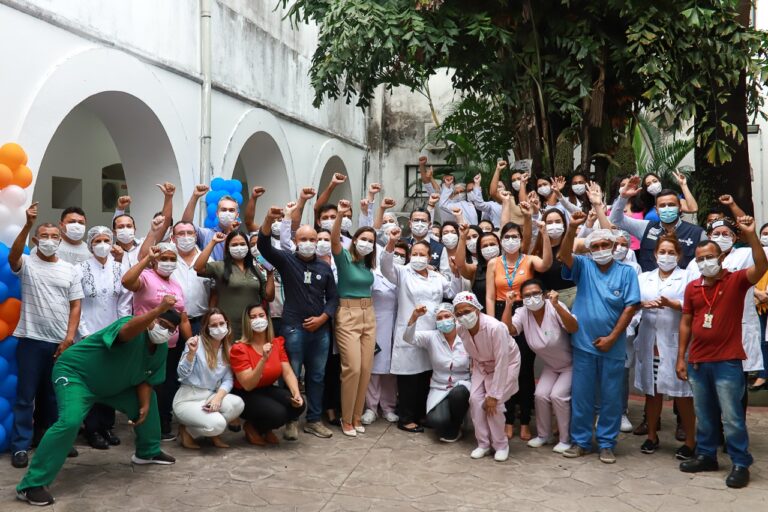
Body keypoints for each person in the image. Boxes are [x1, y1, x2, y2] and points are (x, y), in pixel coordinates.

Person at [16, 296, 181, 506]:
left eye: (169, 329)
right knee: (70, 421)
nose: (164, 330)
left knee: (148, 402)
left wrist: (145, 406)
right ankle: (31, 485)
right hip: (76, 375)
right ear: (151, 319)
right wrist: (159, 309)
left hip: (112, 386)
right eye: (161, 323)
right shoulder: (129, 325)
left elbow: (147, 377)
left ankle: (148, 452)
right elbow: (125, 333)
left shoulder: (161, 348)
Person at [676, 214, 767, 488]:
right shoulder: (693, 288)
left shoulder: (736, 281)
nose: (706, 262)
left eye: (710, 257)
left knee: (732, 416)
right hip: (699, 362)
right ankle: (706, 455)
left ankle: (741, 462)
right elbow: (686, 322)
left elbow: (761, 266)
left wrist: (751, 235)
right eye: (701, 258)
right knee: (704, 413)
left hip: (727, 361)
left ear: (722, 257)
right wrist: (682, 357)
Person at [559, 212, 640, 463]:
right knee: (582, 397)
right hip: (584, 344)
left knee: (611, 397)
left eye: (606, 245)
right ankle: (581, 441)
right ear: (589, 250)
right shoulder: (584, 266)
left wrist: (613, 337)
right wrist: (572, 228)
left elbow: (631, 307)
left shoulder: (626, 273)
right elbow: (563, 256)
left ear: (615, 247)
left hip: (612, 347)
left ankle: (606, 443)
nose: (601, 249)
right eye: (595, 246)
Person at [9, 203, 84, 469]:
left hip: (59, 343)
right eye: (45, 236)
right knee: (25, 396)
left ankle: (51, 441)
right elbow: (13, 257)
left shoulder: (70, 270)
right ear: (36, 240)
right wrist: (28, 223)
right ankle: (20, 446)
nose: (50, 241)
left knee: (54, 397)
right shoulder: (28, 263)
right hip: (30, 340)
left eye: (55, 237)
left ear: (60, 240)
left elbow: (76, 304)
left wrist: (69, 338)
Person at [257, 205, 338, 439]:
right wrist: (268, 219)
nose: (308, 243)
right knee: (290, 375)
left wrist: (323, 317)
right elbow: (263, 246)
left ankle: (313, 419)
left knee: (317, 376)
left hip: (321, 330)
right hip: (293, 327)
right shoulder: (286, 260)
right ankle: (291, 419)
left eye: (312, 239)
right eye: (303, 239)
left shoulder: (324, 266)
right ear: (295, 239)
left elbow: (333, 297)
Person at [381, 226, 461, 433]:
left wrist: (456, 273)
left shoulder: (435, 276)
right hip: (410, 330)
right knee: (409, 378)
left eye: (422, 254)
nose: (417, 257)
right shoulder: (402, 272)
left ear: (428, 257)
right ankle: (406, 418)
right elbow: (385, 266)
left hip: (433, 333)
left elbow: (452, 291)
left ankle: (421, 414)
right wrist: (390, 242)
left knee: (425, 375)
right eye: (414, 254)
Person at [486, 217, 551, 440]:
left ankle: (524, 421)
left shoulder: (530, 260)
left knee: (524, 369)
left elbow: (546, 264)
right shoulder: (494, 263)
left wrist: (542, 234)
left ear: (521, 240)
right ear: (501, 240)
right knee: (503, 369)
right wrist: (490, 322)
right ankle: (507, 421)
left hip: (525, 313)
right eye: (507, 237)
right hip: (500, 314)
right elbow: (490, 295)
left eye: (515, 237)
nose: (511, 240)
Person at [122, 243, 192, 440]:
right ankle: (144, 429)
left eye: (172, 259)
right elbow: (126, 281)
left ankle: (162, 425)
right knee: (145, 385)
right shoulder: (146, 277)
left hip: (168, 345)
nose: (168, 263)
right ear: (155, 261)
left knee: (165, 386)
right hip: (144, 343)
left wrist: (191, 341)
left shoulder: (176, 286)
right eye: (164, 258)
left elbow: (183, 318)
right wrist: (146, 259)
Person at [634, 236, 695, 459]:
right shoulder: (644, 278)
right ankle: (652, 436)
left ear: (678, 255)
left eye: (671, 252)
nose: (666, 256)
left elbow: (693, 305)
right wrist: (642, 304)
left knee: (683, 396)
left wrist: (673, 304)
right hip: (650, 342)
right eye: (663, 251)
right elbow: (633, 303)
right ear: (655, 254)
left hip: (675, 344)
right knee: (652, 393)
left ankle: (690, 441)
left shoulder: (687, 276)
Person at [503, 281, 577, 453]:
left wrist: (557, 305)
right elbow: (509, 330)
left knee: (558, 395)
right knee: (541, 395)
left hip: (570, 364)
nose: (532, 298)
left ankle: (566, 439)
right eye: (527, 295)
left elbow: (573, 327)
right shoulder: (522, 313)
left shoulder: (555, 307)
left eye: (536, 293)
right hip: (551, 366)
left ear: (544, 294)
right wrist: (508, 305)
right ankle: (544, 435)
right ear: (522, 298)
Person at [76, 226, 132, 450]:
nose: (102, 244)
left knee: (110, 383)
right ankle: (92, 429)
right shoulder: (79, 269)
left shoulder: (120, 269)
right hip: (88, 334)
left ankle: (107, 426)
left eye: (106, 240)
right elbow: (76, 304)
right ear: (90, 244)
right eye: (97, 240)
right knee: (91, 383)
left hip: (113, 335)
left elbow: (125, 303)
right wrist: (84, 333)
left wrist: (122, 330)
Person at [452, 292, 521, 462]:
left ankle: (501, 444)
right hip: (481, 366)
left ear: (477, 308)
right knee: (475, 400)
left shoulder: (495, 327)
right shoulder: (461, 328)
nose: (463, 316)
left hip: (506, 364)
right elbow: (473, 355)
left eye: (467, 311)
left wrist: (494, 394)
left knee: (494, 404)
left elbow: (502, 361)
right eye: (459, 314)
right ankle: (483, 444)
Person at [330, 200, 377, 437]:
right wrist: (339, 215)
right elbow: (335, 240)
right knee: (353, 369)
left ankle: (358, 416)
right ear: (355, 239)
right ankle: (346, 418)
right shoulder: (344, 258)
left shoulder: (368, 265)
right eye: (364, 239)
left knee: (366, 369)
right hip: (347, 314)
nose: (367, 243)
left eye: (371, 240)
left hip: (368, 314)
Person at [230, 304, 305, 445]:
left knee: (299, 405)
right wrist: (263, 359)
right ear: (247, 322)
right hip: (245, 394)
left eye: (261, 315)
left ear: (267, 318)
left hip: (266, 388)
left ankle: (264, 428)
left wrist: (296, 393)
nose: (258, 319)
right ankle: (252, 427)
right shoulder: (239, 348)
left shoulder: (276, 343)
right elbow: (248, 384)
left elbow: (287, 372)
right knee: (278, 413)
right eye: (253, 317)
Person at [173, 309, 244, 449]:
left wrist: (218, 398)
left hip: (209, 396)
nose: (219, 328)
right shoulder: (195, 343)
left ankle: (195, 431)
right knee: (218, 424)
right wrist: (191, 355)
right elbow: (181, 374)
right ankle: (188, 430)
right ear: (206, 327)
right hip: (188, 398)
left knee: (238, 404)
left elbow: (228, 379)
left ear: (227, 324)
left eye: (222, 323)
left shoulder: (227, 348)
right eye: (214, 325)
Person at [404, 303, 471, 443]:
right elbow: (408, 338)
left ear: (455, 318)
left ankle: (457, 425)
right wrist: (414, 316)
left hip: (462, 385)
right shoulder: (432, 337)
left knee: (458, 394)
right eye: (439, 318)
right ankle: (451, 421)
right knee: (437, 421)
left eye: (447, 316)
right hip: (439, 387)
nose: (443, 320)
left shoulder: (466, 336)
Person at [609, 176, 706, 271]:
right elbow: (615, 220)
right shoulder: (645, 227)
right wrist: (623, 197)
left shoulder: (697, 233)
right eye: (662, 205)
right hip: (650, 284)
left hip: (682, 285)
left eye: (671, 205)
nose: (667, 208)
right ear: (656, 210)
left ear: (680, 207)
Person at [195, 230, 272, 339]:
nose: (239, 247)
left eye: (242, 244)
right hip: (228, 326)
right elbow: (198, 267)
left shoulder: (255, 269)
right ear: (228, 248)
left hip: (252, 325)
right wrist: (213, 242)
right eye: (234, 245)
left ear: (248, 247)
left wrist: (270, 274)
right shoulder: (220, 267)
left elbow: (269, 296)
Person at [361, 242, 401, 425]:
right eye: (395, 254)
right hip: (376, 323)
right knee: (374, 368)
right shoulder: (373, 275)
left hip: (397, 325)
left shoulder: (404, 275)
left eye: (401, 254)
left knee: (391, 370)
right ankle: (371, 407)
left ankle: (388, 407)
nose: (398, 257)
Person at [181, 184, 242, 261]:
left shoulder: (244, 238)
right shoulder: (206, 234)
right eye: (223, 209)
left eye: (231, 210)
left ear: (237, 215)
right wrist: (195, 197)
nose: (227, 213)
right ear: (217, 213)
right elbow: (185, 225)